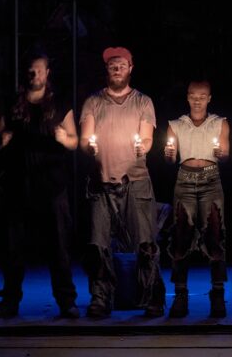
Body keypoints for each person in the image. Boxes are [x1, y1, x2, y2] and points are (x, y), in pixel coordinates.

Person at [0, 53, 79, 319]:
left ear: (47, 73)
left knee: (58, 246)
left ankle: (66, 300)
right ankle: (9, 301)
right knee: (13, 247)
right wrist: (1, 141)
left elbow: (75, 141)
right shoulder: (12, 104)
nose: (34, 76)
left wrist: (65, 138)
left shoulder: (60, 104)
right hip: (18, 184)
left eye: (38, 71)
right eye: (30, 71)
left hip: (51, 186)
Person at [79, 46, 165, 318]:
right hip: (102, 182)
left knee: (146, 243)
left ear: (131, 68)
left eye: (122, 65)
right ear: (106, 70)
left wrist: (144, 148)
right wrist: (88, 148)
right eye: (112, 65)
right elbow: (85, 138)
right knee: (98, 244)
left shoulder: (143, 102)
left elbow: (147, 138)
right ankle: (101, 296)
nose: (117, 69)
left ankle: (152, 297)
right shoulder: (93, 102)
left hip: (135, 182)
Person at [164, 79, 229, 319]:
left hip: (211, 181)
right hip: (185, 180)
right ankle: (180, 294)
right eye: (193, 95)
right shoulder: (176, 125)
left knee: (215, 232)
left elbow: (226, 155)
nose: (198, 100)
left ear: (209, 98)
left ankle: (218, 292)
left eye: (202, 96)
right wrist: (169, 155)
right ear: (187, 97)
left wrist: (221, 154)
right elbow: (170, 159)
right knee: (181, 235)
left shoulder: (219, 123)